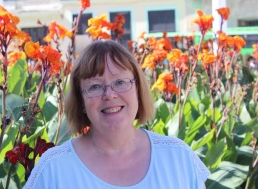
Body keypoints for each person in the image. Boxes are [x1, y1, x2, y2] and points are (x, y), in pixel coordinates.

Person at [24, 40, 210, 189]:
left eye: (120, 82)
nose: (110, 94)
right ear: (81, 100)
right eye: (95, 86)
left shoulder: (178, 157)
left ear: (138, 89)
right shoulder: (53, 169)